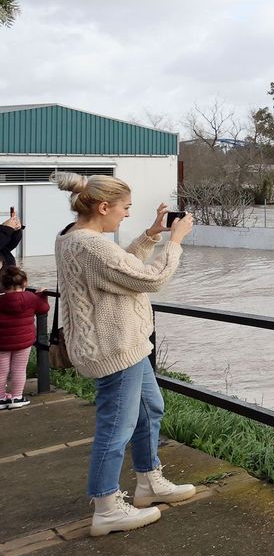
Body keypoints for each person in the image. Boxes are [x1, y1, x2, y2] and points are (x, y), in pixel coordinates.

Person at [53, 172, 197, 536]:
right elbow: (150, 280)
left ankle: (149, 482)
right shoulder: (92, 245)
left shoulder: (74, 236)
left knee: (151, 409)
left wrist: (151, 235)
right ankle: (106, 507)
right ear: (103, 207)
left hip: (126, 344)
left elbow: (119, 270)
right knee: (115, 427)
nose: (127, 214)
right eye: (125, 208)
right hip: (114, 347)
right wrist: (175, 241)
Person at [0, 265, 49, 409]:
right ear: (25, 283)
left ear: (2, 285)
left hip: (2, 343)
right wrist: (42, 295)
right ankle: (16, 397)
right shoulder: (31, 298)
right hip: (23, 342)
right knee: (19, 369)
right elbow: (43, 309)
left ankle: (1, 399)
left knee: (1, 371)